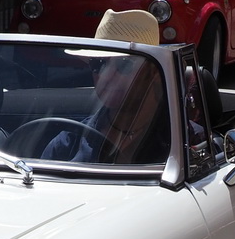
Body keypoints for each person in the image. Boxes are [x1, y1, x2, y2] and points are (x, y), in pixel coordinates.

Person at [39, 10, 169, 165]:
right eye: (98, 63)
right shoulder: (66, 145)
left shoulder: (184, 141)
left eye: (124, 64)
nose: (106, 76)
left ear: (152, 72)